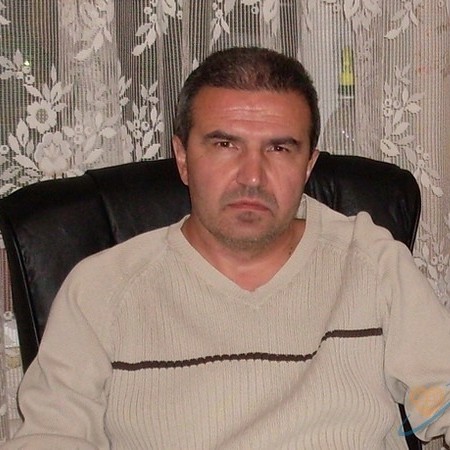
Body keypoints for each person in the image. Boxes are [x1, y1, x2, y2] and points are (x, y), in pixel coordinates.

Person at [3, 47, 450, 449]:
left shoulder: (371, 261)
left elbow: (443, 396)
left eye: (279, 148)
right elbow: (52, 436)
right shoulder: (103, 288)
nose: (252, 176)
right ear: (183, 158)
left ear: (309, 165)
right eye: (224, 144)